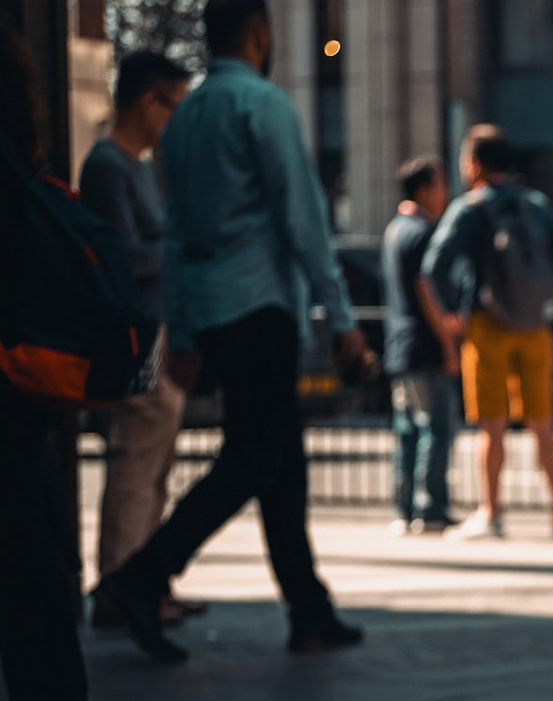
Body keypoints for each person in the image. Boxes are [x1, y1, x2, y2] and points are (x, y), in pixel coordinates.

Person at [94, 0, 371, 663]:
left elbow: (179, 233)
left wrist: (185, 333)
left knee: (281, 459)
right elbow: (303, 220)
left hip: (213, 316)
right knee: (253, 456)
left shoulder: (185, 118)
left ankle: (308, 608)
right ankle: (140, 577)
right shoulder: (263, 105)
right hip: (260, 306)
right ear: (260, 33)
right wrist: (342, 318)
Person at [0, 18, 99, 701]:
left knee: (23, 543)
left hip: (8, 370)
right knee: (28, 537)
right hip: (20, 375)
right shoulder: (19, 154)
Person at [79, 50, 204, 630]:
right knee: (136, 463)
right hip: (136, 336)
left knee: (151, 466)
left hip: (154, 332)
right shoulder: (109, 165)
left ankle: (143, 584)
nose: (175, 121)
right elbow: (120, 258)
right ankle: (120, 587)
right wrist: (179, 251)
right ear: (148, 101)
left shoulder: (135, 165)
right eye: (173, 107)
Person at [424, 124, 553, 540]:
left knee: (491, 426)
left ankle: (491, 513)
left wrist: (451, 314)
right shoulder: (537, 204)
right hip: (536, 327)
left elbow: (434, 265)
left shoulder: (470, 208)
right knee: (543, 424)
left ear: (474, 163)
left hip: (487, 325)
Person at [381, 155, 460, 535]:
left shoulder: (395, 230)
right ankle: (431, 509)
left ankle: (404, 508)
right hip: (424, 346)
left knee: (408, 430)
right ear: (424, 190)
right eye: (442, 185)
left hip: (400, 347)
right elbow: (426, 290)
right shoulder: (423, 233)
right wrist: (448, 343)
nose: (446, 193)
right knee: (435, 429)